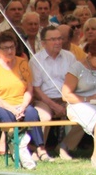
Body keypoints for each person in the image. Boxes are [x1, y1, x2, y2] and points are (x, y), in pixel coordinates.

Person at [0, 31, 47, 169]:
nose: (10, 50)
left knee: (32, 113)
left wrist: (23, 106)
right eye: (6, 48)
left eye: (12, 47)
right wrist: (12, 108)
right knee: (8, 115)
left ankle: (40, 148)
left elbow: (29, 89)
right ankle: (15, 147)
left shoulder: (23, 63)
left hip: (20, 102)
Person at [30, 25, 82, 160]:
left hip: (66, 98)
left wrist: (69, 101)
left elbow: (75, 81)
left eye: (59, 38)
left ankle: (65, 147)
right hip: (44, 99)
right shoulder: (36, 60)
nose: (58, 42)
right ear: (43, 43)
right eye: (53, 39)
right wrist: (54, 106)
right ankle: (40, 149)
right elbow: (36, 89)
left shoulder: (70, 57)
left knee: (85, 115)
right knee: (45, 117)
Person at [62, 38, 96, 169]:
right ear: (89, 55)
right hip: (78, 104)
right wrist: (88, 98)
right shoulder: (77, 68)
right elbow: (66, 95)